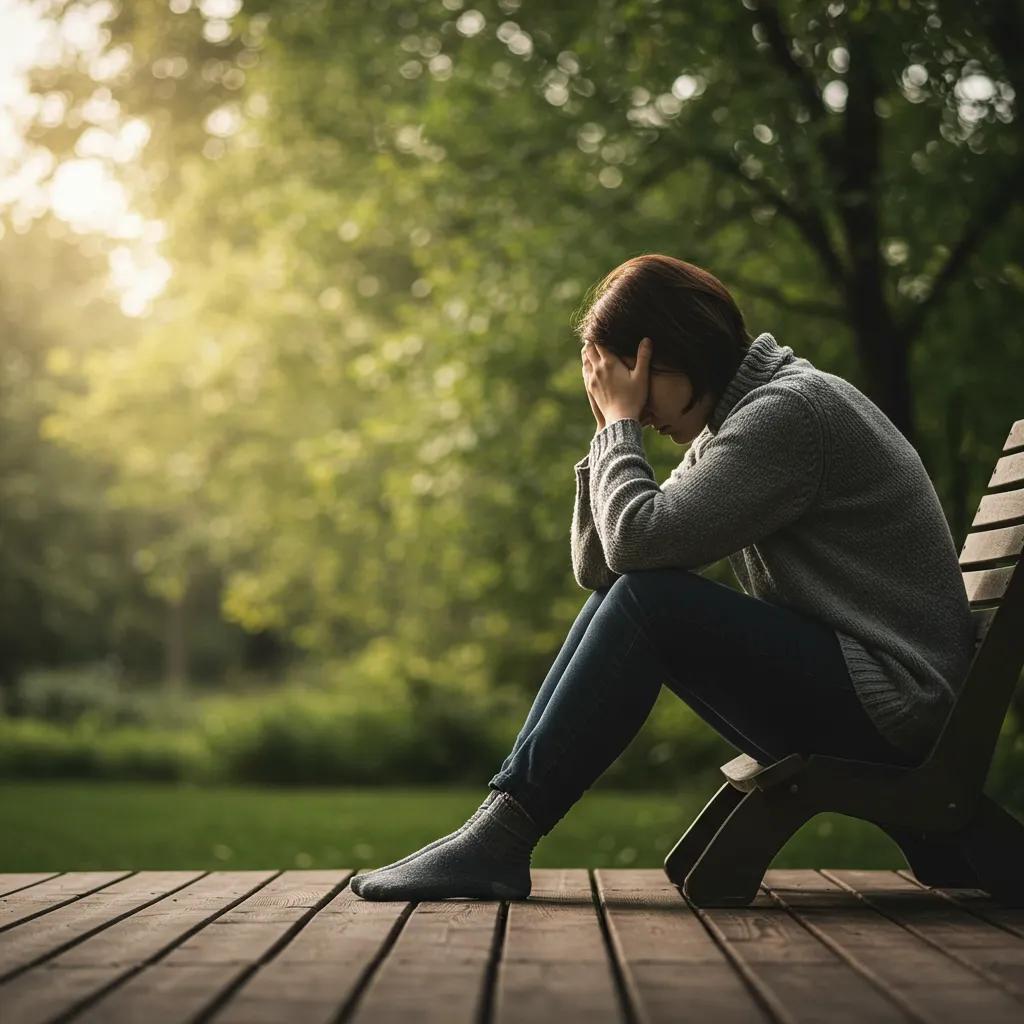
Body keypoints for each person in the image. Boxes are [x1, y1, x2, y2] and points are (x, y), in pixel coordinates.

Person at [349, 253, 976, 903]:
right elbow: (603, 567)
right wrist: (606, 435)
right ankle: (496, 831)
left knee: (655, 602)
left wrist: (621, 430)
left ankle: (499, 837)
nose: (639, 411)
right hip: (873, 692)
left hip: (896, 702)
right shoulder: (735, 425)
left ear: (676, 354)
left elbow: (635, 546)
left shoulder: (790, 412)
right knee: (639, 595)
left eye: (635, 384)